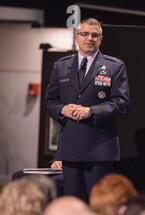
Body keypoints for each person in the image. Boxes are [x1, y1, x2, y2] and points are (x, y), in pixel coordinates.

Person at [44, 18, 130, 202]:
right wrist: (62, 109)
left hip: (99, 150)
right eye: (85, 34)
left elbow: (122, 103)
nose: (89, 38)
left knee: (98, 204)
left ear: (101, 39)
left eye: (94, 35)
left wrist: (91, 111)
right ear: (77, 37)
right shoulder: (61, 66)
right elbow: (49, 102)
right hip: (70, 151)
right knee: (72, 205)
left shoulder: (114, 66)